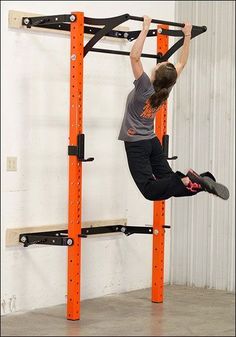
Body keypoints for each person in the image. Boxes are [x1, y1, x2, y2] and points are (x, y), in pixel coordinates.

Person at [118, 16, 229, 201]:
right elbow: (182, 63)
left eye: (159, 64)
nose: (160, 62)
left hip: (137, 143)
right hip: (152, 142)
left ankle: (186, 181)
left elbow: (134, 56)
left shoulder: (144, 87)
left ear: (154, 74)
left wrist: (145, 28)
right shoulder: (166, 87)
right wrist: (187, 35)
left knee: (150, 190)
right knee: (169, 183)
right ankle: (200, 182)